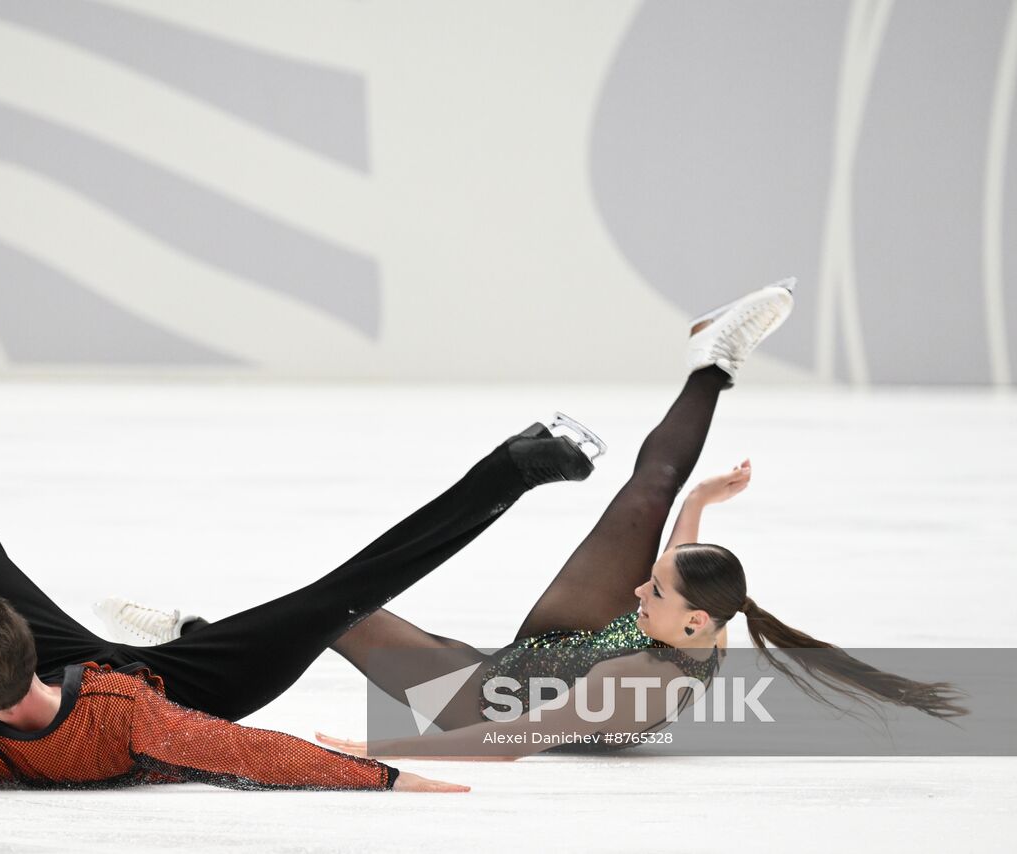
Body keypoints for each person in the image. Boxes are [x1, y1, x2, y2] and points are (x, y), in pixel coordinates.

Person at [0, 316, 606, 792]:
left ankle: (519, 461)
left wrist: (403, 784)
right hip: (176, 685)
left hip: (160, 689)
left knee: (339, 594)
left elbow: (264, 752)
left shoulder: (66, 719)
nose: (6, 711)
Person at [97, 279, 968, 758]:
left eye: (656, 588)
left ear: (690, 622)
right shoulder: (697, 618)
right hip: (564, 653)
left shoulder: (645, 683)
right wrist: (698, 506)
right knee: (650, 490)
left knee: (337, 615)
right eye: (658, 578)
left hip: (488, 698)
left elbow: (509, 735)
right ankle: (716, 360)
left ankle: (184, 651)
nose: (642, 580)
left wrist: (367, 750)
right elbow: (676, 566)